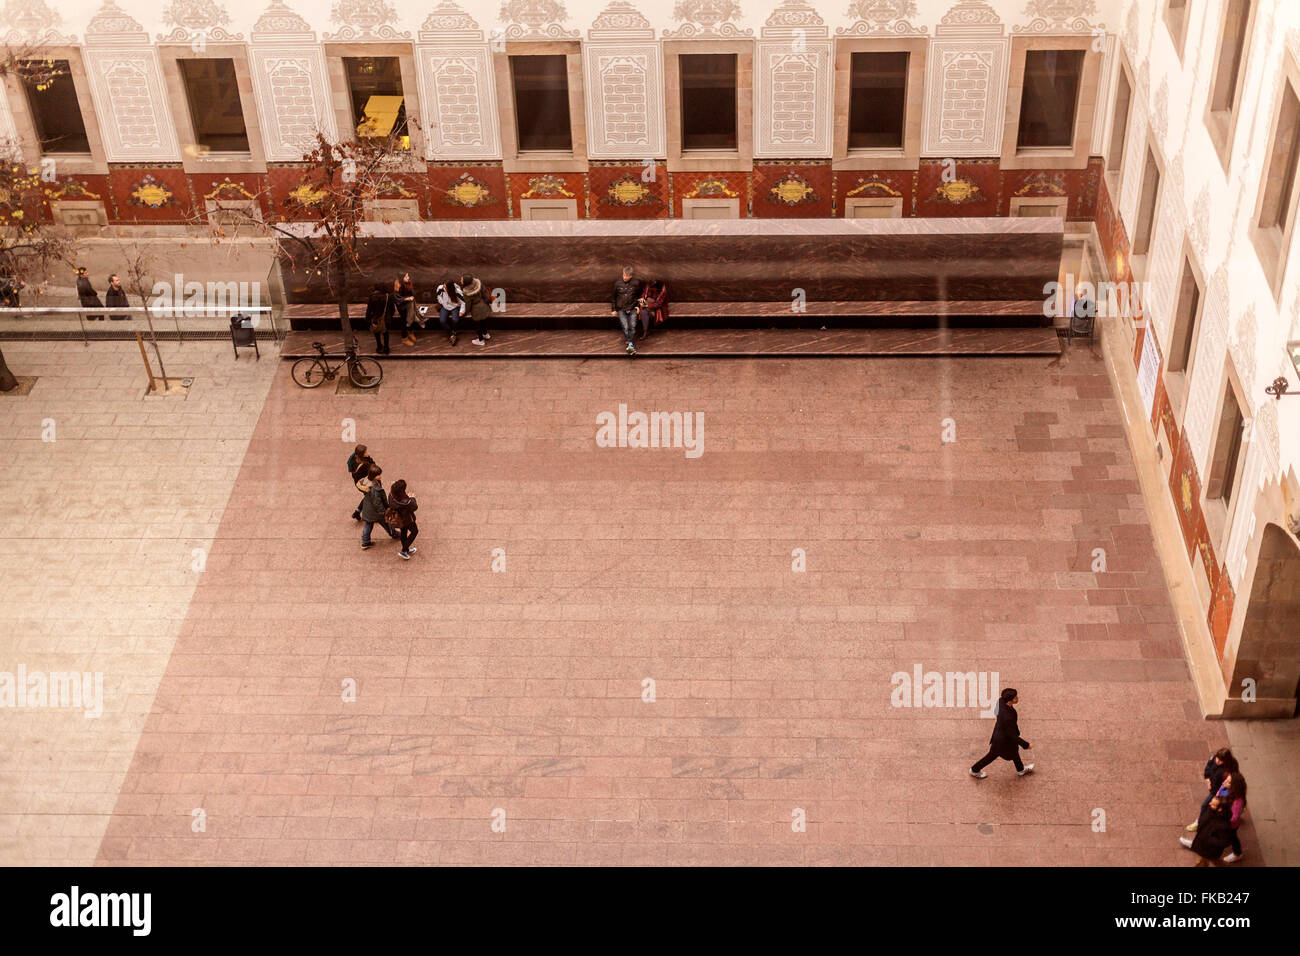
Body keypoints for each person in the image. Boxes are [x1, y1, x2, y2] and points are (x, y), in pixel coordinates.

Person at [969, 688, 1033, 777]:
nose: (1018, 698)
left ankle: (1020, 769)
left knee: (1014, 751)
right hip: (1002, 740)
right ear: (1010, 700)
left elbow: (996, 712)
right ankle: (974, 770)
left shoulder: (1001, 701)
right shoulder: (1007, 718)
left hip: (1001, 734)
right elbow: (1012, 736)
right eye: (1015, 697)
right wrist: (1026, 745)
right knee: (992, 755)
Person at [1180, 786, 1235, 865]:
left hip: (1209, 849)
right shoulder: (1210, 810)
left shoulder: (1224, 826)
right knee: (1209, 860)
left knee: (1206, 861)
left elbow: (1224, 842)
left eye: (1213, 804)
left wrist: (1208, 838)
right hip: (1202, 844)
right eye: (1211, 802)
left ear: (1220, 809)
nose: (1209, 804)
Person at [1186, 748, 1237, 832]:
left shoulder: (1228, 770)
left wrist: (1217, 790)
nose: (1217, 761)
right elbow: (1208, 767)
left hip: (1218, 791)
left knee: (1205, 805)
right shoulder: (1214, 758)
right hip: (1214, 788)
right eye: (1217, 758)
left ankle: (1199, 822)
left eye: (1221, 760)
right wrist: (1207, 779)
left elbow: (1230, 781)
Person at [359, 464, 399, 549]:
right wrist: (384, 512)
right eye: (378, 475)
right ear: (373, 476)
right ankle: (394, 534)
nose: (380, 476)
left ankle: (365, 542)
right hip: (376, 512)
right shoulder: (375, 490)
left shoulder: (366, 482)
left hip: (368, 509)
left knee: (368, 525)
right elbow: (378, 503)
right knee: (386, 523)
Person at [611, 265, 640, 356]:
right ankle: (630, 344)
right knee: (625, 326)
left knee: (633, 326)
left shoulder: (636, 283)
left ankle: (629, 344)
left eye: (627, 276)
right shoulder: (617, 283)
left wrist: (638, 306)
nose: (625, 277)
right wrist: (613, 309)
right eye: (624, 275)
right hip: (621, 309)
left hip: (632, 307)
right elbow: (613, 297)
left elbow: (640, 296)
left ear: (631, 276)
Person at [388, 479, 419, 560]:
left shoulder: (391, 495)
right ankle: (403, 550)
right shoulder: (405, 501)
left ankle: (406, 550)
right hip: (407, 518)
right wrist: (412, 498)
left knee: (404, 532)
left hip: (399, 518)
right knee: (415, 531)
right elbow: (414, 507)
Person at [460, 275, 493, 347]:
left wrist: (465, 313)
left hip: (476, 310)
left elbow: (468, 305)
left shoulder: (466, 292)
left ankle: (480, 340)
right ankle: (486, 334)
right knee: (483, 321)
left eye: (462, 280)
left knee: (478, 326)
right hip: (484, 306)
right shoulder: (478, 284)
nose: (460, 281)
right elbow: (485, 293)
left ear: (466, 282)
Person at [347, 444, 374, 521]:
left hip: (358, 483)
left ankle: (357, 512)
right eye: (366, 452)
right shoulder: (363, 465)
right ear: (362, 455)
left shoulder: (353, 459)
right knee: (370, 496)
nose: (367, 453)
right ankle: (362, 513)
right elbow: (373, 468)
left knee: (368, 496)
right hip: (364, 484)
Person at [366, 281, 394, 355]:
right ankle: (386, 348)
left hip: (375, 318)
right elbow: (392, 309)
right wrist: (390, 316)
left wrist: (368, 318)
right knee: (385, 333)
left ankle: (379, 346)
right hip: (386, 318)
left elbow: (369, 309)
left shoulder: (372, 296)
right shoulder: (388, 296)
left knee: (377, 332)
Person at [436, 278, 465, 345]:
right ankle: (451, 335)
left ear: (450, 288)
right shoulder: (440, 288)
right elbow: (438, 296)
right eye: (444, 285)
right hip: (445, 307)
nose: (443, 287)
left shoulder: (457, 292)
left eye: (445, 286)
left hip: (454, 307)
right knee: (442, 321)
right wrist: (442, 302)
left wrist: (461, 311)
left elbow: (463, 302)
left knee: (455, 320)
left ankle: (454, 331)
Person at [397, 273, 418, 347]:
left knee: (410, 318)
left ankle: (410, 332)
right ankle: (404, 338)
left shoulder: (408, 284)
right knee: (403, 322)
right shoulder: (399, 286)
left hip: (409, 306)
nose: (408, 277)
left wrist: (410, 286)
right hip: (402, 307)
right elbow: (397, 298)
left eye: (408, 276)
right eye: (406, 276)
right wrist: (407, 298)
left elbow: (413, 294)